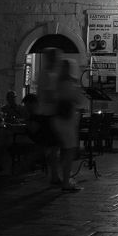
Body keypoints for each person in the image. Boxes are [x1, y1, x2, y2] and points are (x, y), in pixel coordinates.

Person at [49, 58, 84, 192]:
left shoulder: (56, 82)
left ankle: (56, 176)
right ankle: (65, 182)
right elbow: (78, 99)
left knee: (57, 149)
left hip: (56, 118)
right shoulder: (70, 83)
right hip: (67, 119)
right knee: (69, 151)